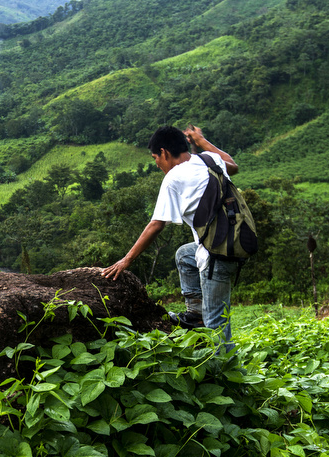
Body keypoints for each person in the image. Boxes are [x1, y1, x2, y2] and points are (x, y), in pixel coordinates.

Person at [101, 124, 240, 351]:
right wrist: (202, 141)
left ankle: (231, 379)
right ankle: (195, 314)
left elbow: (156, 224)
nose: (157, 164)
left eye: (156, 157)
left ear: (164, 152)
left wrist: (126, 260)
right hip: (234, 241)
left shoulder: (174, 177)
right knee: (185, 255)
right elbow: (233, 166)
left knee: (217, 325)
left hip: (216, 253)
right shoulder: (208, 160)